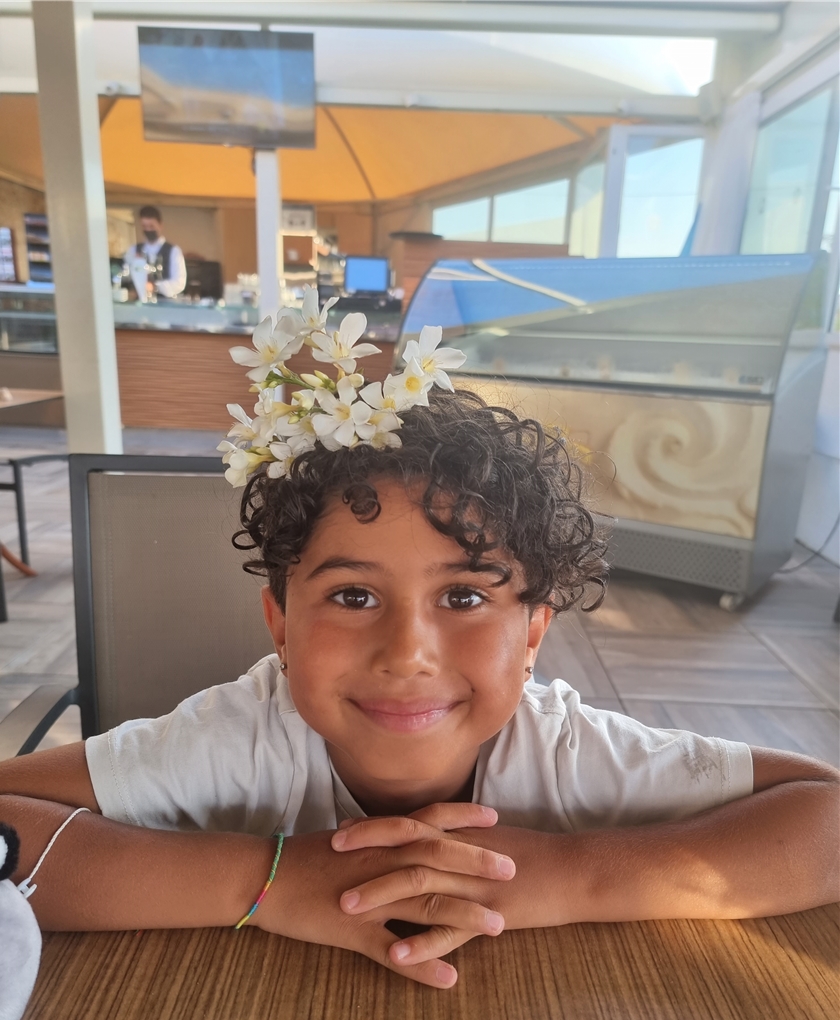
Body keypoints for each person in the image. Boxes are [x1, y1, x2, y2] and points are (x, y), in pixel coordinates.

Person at [0, 300, 837, 992]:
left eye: (465, 597)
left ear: (534, 633)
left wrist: (571, 873)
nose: (407, 653)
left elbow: (824, 814)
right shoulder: (236, 739)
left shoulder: (565, 751)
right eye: (353, 596)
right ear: (281, 624)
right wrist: (266, 879)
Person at [122, 205, 187, 299]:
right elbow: (125, 275)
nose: (148, 230)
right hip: (138, 302)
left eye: (151, 226)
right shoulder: (133, 250)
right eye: (145, 226)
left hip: (165, 303)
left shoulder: (174, 251)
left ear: (160, 225)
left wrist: (155, 287)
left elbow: (179, 283)